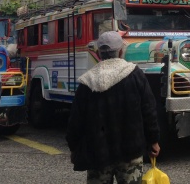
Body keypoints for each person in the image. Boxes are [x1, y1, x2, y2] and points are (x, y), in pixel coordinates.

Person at [66, 31, 160, 184]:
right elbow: (149, 110)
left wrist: (74, 147)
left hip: (98, 153)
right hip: (131, 150)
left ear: (97, 53)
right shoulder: (135, 75)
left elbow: (75, 121)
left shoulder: (87, 81)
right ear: (121, 51)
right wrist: (153, 140)